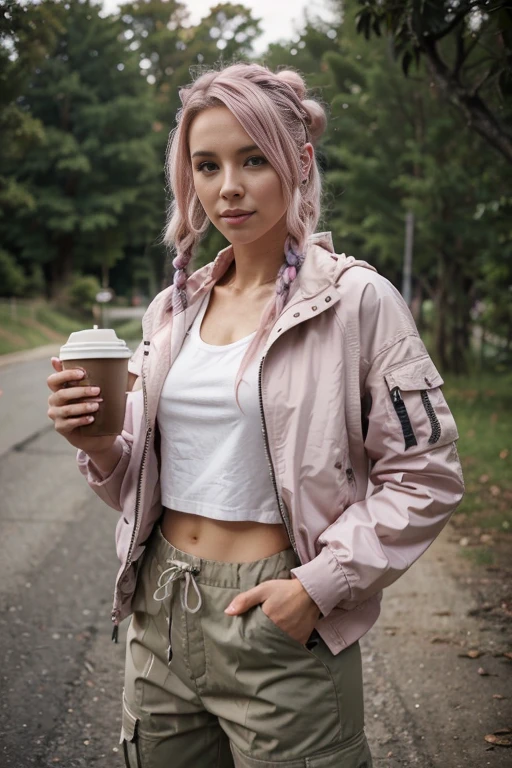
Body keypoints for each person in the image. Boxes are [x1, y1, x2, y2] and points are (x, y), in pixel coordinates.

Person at [46, 63, 465, 768]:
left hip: (281, 620)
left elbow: (427, 475)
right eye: (206, 165)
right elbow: (137, 485)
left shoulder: (358, 303)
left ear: (299, 161)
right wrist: (99, 444)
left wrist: (316, 587)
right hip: (162, 612)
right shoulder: (172, 312)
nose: (228, 187)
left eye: (253, 159)